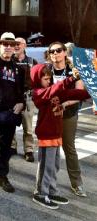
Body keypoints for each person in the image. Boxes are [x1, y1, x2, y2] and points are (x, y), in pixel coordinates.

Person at [30, 64, 90, 209]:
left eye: (49, 78)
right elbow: (53, 90)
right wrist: (71, 78)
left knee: (54, 166)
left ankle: (51, 191)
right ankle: (40, 193)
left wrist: (90, 91)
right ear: (37, 79)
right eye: (45, 78)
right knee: (46, 166)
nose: (48, 80)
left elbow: (72, 94)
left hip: (57, 134)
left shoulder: (53, 90)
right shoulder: (38, 92)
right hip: (46, 134)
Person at [46, 41, 87, 197]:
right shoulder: (47, 70)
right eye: (52, 52)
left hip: (68, 114)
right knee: (50, 150)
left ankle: (77, 184)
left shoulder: (74, 70)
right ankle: (48, 184)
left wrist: (65, 104)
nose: (55, 54)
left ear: (64, 52)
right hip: (50, 115)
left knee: (69, 148)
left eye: (58, 50)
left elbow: (79, 93)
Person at [0, 32, 24, 193]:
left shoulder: (18, 68)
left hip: (9, 112)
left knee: (5, 147)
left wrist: (22, 103)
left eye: (11, 45)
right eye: (4, 44)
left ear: (14, 48)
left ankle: (1, 176)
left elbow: (22, 92)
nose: (8, 47)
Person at [11, 37, 38, 162]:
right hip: (11, 98)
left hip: (27, 98)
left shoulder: (33, 61)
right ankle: (12, 147)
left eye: (19, 44)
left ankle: (29, 150)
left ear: (25, 45)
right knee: (10, 124)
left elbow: (38, 80)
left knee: (28, 128)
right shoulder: (9, 60)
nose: (16, 46)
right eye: (14, 44)